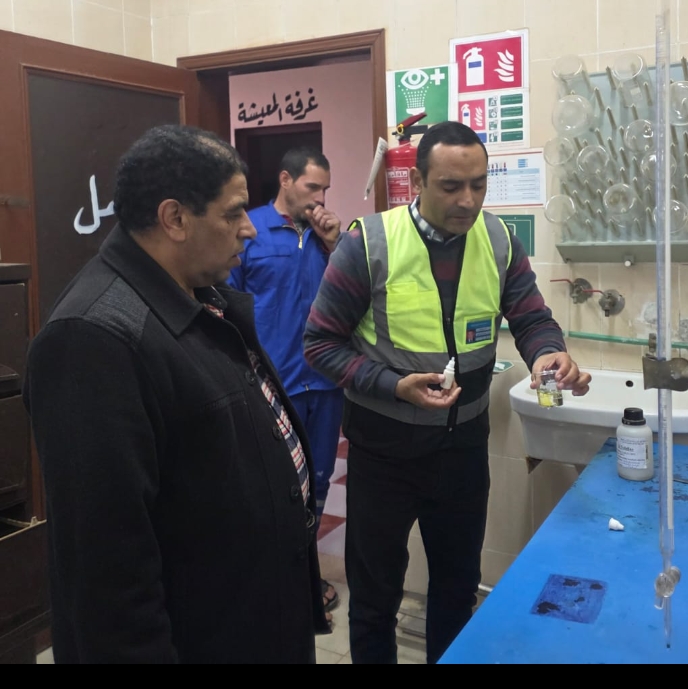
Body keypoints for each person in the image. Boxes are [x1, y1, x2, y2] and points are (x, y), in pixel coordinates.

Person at [23, 125, 329, 663]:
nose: (249, 230)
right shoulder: (92, 339)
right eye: (233, 213)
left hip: (254, 621)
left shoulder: (201, 293)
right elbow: (108, 580)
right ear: (175, 218)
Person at [303, 120, 592, 664]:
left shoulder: (499, 240)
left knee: (457, 591)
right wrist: (393, 385)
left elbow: (531, 317)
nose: (468, 200)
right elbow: (319, 344)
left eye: (479, 185)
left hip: (462, 452)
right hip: (383, 453)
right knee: (375, 598)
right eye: (451, 186)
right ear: (417, 182)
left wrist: (547, 352)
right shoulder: (368, 243)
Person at [227, 147, 343, 615]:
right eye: (313, 187)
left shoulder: (326, 236)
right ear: (285, 180)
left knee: (319, 482)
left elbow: (354, 297)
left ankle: (305, 575)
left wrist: (335, 245)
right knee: (274, 486)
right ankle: (271, 581)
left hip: (325, 383)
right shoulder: (249, 230)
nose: (320, 199)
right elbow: (226, 306)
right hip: (272, 385)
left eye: (325, 189)